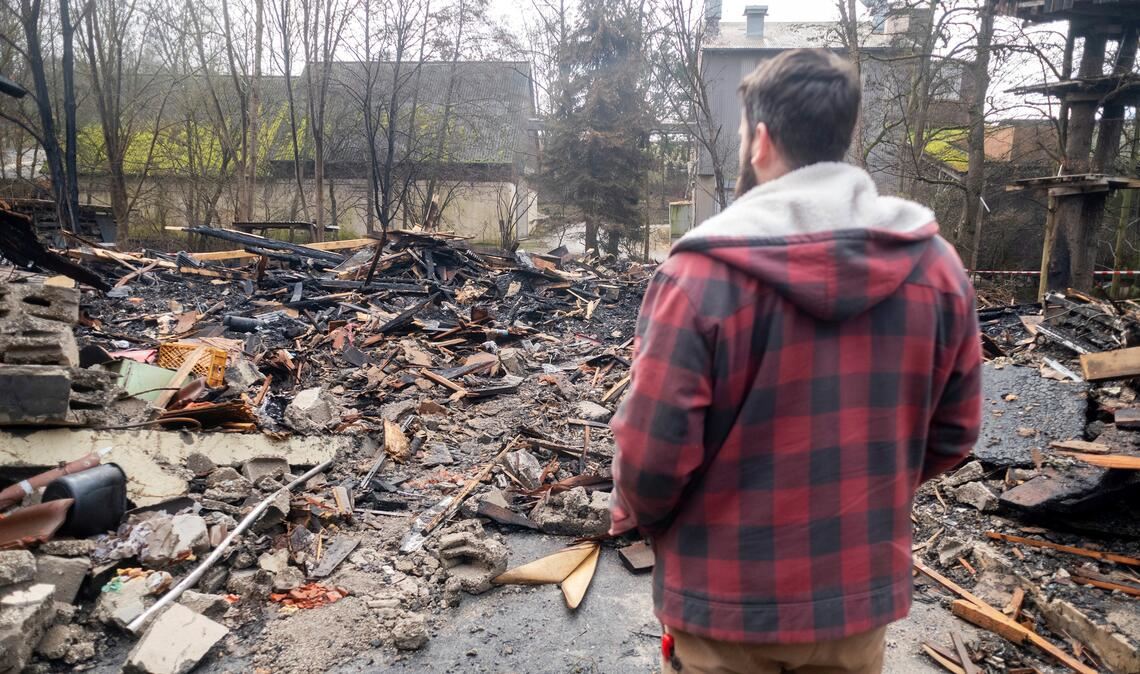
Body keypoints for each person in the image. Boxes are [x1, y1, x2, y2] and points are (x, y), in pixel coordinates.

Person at [608, 48, 982, 674]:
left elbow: (652, 460)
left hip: (724, 606)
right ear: (846, 136)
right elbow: (953, 435)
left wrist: (636, 518)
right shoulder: (936, 269)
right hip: (854, 603)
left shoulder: (698, 277)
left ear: (760, 141)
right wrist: (865, 489)